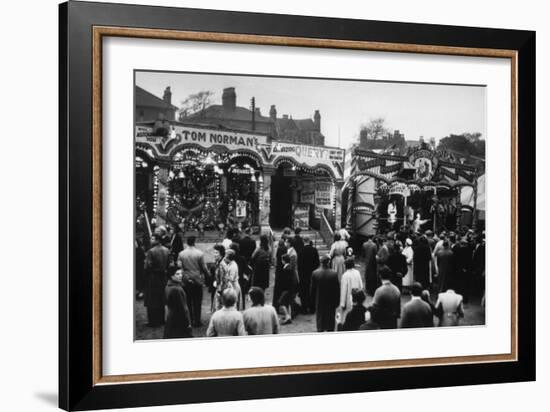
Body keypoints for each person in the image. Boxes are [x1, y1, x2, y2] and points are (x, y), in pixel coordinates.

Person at [177, 236, 209, 327]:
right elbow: (204, 267)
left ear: (187, 242)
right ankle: (197, 321)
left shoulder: (181, 254)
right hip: (197, 278)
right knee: (197, 301)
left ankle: (189, 320)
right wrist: (207, 275)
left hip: (186, 278)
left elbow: (179, 266)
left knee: (187, 300)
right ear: (194, 242)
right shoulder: (199, 253)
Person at [144, 233, 170, 327]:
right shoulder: (166, 250)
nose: (151, 240)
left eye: (153, 239)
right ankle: (161, 319)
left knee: (152, 299)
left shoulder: (151, 251)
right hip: (163, 277)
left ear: (158, 240)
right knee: (161, 298)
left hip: (153, 277)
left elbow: (147, 266)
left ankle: (153, 321)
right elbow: (169, 264)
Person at [310, 255, 340, 332]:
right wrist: (337, 302)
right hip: (331, 302)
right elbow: (337, 290)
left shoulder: (315, 273)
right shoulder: (334, 274)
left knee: (320, 323)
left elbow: (312, 290)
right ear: (328, 262)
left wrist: (312, 303)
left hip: (319, 301)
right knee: (330, 323)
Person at [163, 269, 193, 338]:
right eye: (177, 274)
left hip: (170, 318)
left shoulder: (168, 286)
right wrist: (188, 323)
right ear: (171, 276)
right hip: (179, 320)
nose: (180, 276)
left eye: (181, 274)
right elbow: (183, 308)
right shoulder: (177, 289)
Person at [298, 238, 320, 313]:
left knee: (304, 291)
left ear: (304, 241)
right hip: (312, 273)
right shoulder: (314, 250)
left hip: (303, 274)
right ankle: (312, 308)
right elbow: (317, 263)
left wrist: (300, 274)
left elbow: (299, 264)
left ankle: (304, 308)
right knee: (312, 291)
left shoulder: (301, 251)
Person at [339, 257, 363, 322]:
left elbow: (343, 290)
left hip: (348, 299)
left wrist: (342, 303)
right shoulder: (357, 272)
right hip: (357, 297)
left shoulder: (345, 275)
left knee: (348, 316)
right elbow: (361, 285)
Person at [278, 254, 299, 325]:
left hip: (287, 289)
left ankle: (287, 316)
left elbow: (286, 280)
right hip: (291, 289)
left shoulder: (286, 269)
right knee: (289, 302)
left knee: (282, 302)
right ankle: (289, 315)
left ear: (283, 260)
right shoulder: (290, 267)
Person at [229, 242, 251, 310]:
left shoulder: (229, 260)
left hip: (231, 280)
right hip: (240, 280)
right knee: (240, 297)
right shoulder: (242, 258)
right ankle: (240, 309)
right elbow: (247, 270)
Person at [209, 244, 225, 312]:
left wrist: (219, 291)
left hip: (221, 290)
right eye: (214, 252)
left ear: (221, 253)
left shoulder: (221, 264)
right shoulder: (218, 262)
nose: (214, 254)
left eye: (216, 253)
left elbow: (222, 278)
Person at [272, 237, 287, 311]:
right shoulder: (285, 249)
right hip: (282, 271)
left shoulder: (279, 249)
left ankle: (276, 305)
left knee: (277, 290)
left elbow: (276, 259)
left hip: (279, 271)